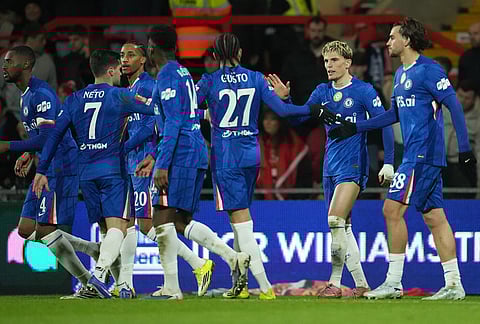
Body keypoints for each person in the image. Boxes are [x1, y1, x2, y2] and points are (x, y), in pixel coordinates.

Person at [329, 17, 477, 300]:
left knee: (391, 210)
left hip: (423, 154)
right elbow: (393, 115)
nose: (387, 43)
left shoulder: (430, 71)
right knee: (435, 217)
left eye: (392, 37)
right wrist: (355, 126)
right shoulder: (400, 74)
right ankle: (454, 285)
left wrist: (465, 149)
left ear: (407, 40)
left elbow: (454, 107)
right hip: (414, 154)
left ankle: (394, 282)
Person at [195, 32, 334, 299]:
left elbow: (185, 108)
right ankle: (241, 285)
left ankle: (265, 286)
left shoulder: (209, 82)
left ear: (214, 57)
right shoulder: (256, 78)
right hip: (251, 155)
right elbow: (283, 112)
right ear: (240, 54)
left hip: (225, 158)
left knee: (242, 224)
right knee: (239, 224)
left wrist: (206, 113)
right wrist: (311, 109)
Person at [135, 24, 255, 300]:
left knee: (161, 220)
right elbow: (183, 115)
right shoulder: (182, 72)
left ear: (152, 48)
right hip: (194, 151)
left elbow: (174, 123)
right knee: (179, 221)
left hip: (181, 155)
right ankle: (233, 258)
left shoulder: (167, 76)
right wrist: (154, 156)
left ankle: (172, 289)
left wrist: (161, 163)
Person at [269, 40, 395, 298]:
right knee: (342, 227)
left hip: (353, 164)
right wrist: (285, 99)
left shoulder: (364, 91)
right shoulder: (322, 92)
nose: (329, 65)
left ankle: (334, 283)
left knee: (335, 220)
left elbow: (384, 123)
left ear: (348, 63)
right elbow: (300, 116)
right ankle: (361, 285)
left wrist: (389, 161)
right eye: (326, 61)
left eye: (335, 60)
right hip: (330, 166)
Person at [32, 49, 159, 299]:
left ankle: (118, 285)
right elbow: (154, 109)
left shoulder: (74, 99)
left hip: (86, 172)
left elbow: (55, 135)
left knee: (105, 229)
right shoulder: (121, 96)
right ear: (111, 70)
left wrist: (42, 169)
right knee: (119, 227)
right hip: (113, 169)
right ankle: (98, 277)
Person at [0, 45, 94, 297]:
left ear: (26, 65)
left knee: (44, 230)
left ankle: (90, 283)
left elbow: (48, 137)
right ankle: (93, 250)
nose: (4, 66)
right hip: (45, 163)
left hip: (60, 164)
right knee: (25, 229)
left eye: (10, 62)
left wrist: (8, 145)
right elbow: (40, 137)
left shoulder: (41, 94)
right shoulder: (25, 94)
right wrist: (29, 153)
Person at [257, 108, 312, 200]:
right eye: (265, 119)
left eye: (273, 119)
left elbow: (304, 177)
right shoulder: (257, 144)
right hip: (261, 200)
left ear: (280, 122)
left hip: (292, 200)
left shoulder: (294, 145)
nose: (268, 123)